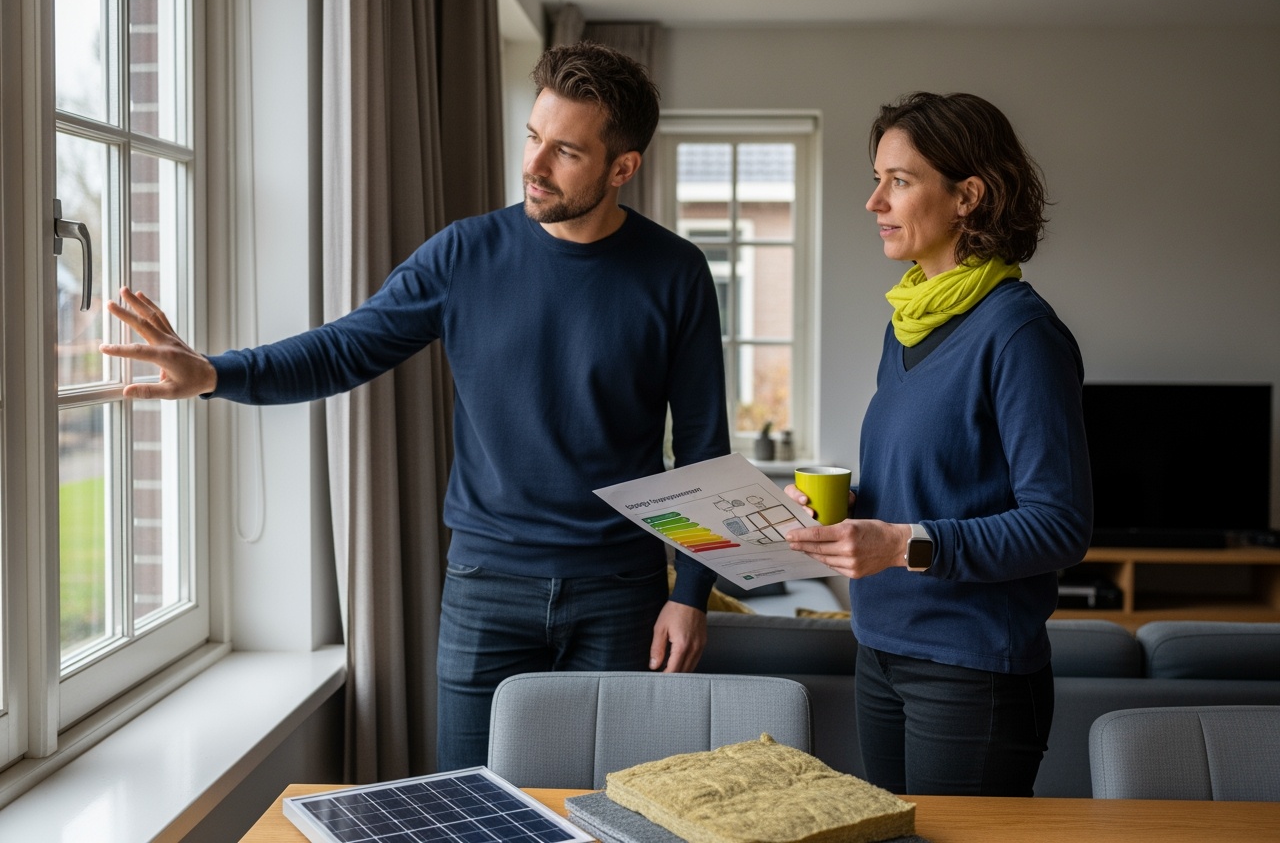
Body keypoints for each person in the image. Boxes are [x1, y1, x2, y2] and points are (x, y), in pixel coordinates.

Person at [100, 41, 730, 771]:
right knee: (467, 808)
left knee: (606, 806)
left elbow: (705, 446)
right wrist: (214, 372)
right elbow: (342, 350)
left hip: (622, 590)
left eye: (565, 151)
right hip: (486, 585)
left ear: (622, 168)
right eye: (532, 137)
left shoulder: (675, 273)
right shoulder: (464, 256)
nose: (532, 165)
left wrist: (692, 594)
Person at [784, 92, 1092, 797]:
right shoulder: (906, 326)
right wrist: (838, 515)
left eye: (899, 180)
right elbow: (922, 491)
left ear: (968, 196)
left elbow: (1060, 525)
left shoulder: (1020, 335)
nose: (874, 202)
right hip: (881, 649)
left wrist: (898, 545)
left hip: (971, 667)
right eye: (876, 179)